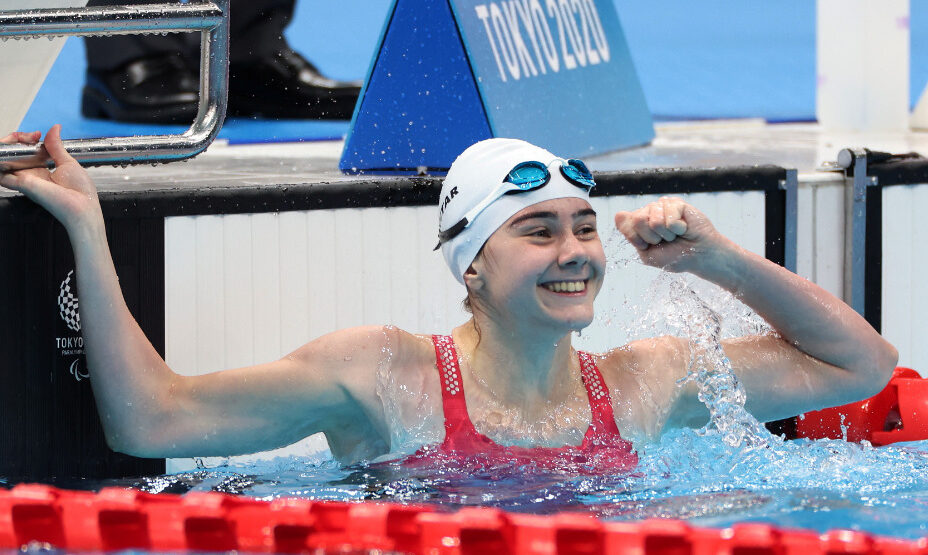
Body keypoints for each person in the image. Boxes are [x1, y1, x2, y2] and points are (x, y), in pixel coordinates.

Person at [0, 126, 898, 470]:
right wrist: (88, 225)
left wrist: (718, 258)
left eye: (584, 228)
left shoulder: (643, 385)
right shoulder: (382, 377)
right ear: (471, 266)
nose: (574, 253)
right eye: (537, 231)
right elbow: (153, 420)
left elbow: (862, 365)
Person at [82, 0, 361, 123]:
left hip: (244, 42)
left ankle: (243, 45)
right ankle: (133, 41)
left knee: (237, 43)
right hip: (127, 41)